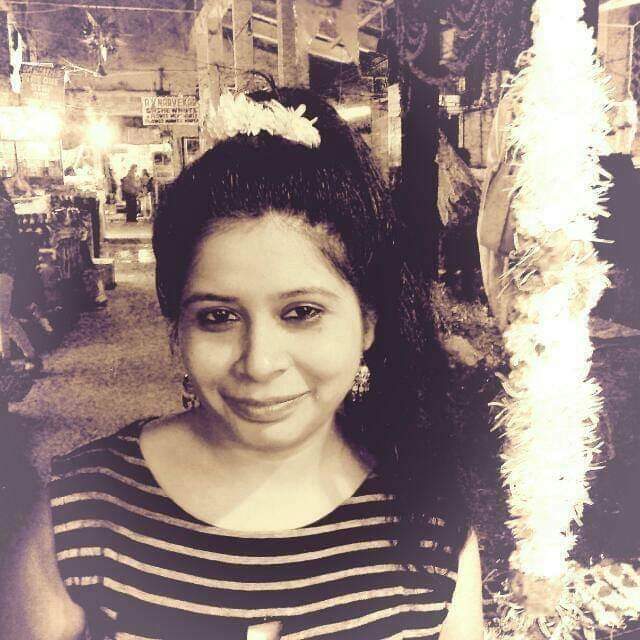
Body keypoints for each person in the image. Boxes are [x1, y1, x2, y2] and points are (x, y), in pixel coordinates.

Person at [0, 88, 483, 640]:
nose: (259, 362)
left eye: (302, 312)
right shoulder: (86, 510)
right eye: (218, 317)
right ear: (177, 328)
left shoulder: (430, 524)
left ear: (368, 322)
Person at [0, 177, 41, 373]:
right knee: (2, 316)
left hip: (3, 267)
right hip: (6, 266)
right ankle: (6, 358)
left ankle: (29, 355)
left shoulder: (3, 207)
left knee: (2, 316)